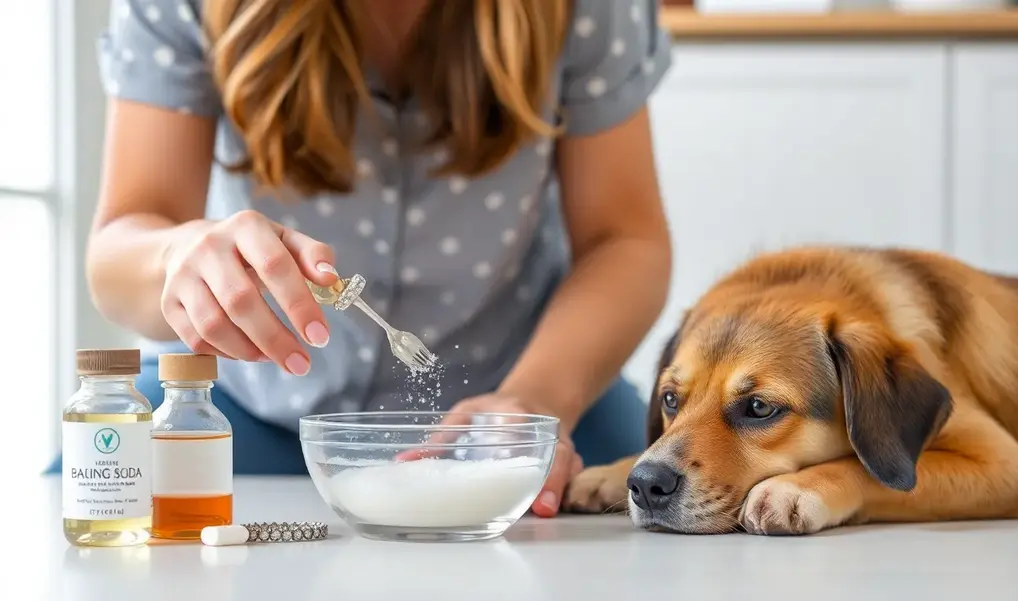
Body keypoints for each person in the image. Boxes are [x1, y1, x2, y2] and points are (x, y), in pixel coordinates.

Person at [49, 0, 673, 519]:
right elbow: (118, 252)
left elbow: (625, 240)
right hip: (241, 410)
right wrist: (175, 256)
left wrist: (536, 401)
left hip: (535, 414)